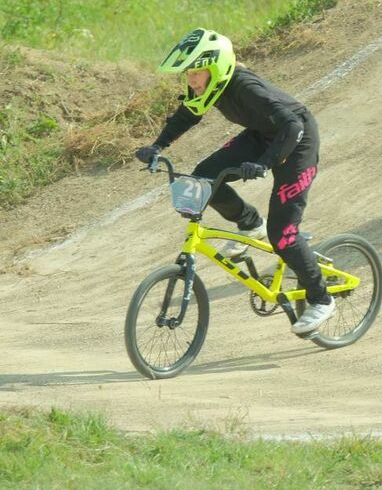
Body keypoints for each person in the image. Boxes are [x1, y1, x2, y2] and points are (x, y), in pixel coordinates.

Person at [134, 28, 334, 335]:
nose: (191, 81)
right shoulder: (212, 87)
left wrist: (266, 163)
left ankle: (321, 299)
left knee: (283, 235)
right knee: (204, 178)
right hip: (262, 136)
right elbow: (188, 113)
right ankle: (251, 223)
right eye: (187, 74)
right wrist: (158, 146)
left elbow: (292, 125)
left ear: (214, 67)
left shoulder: (245, 87)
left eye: (196, 73)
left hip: (297, 141)